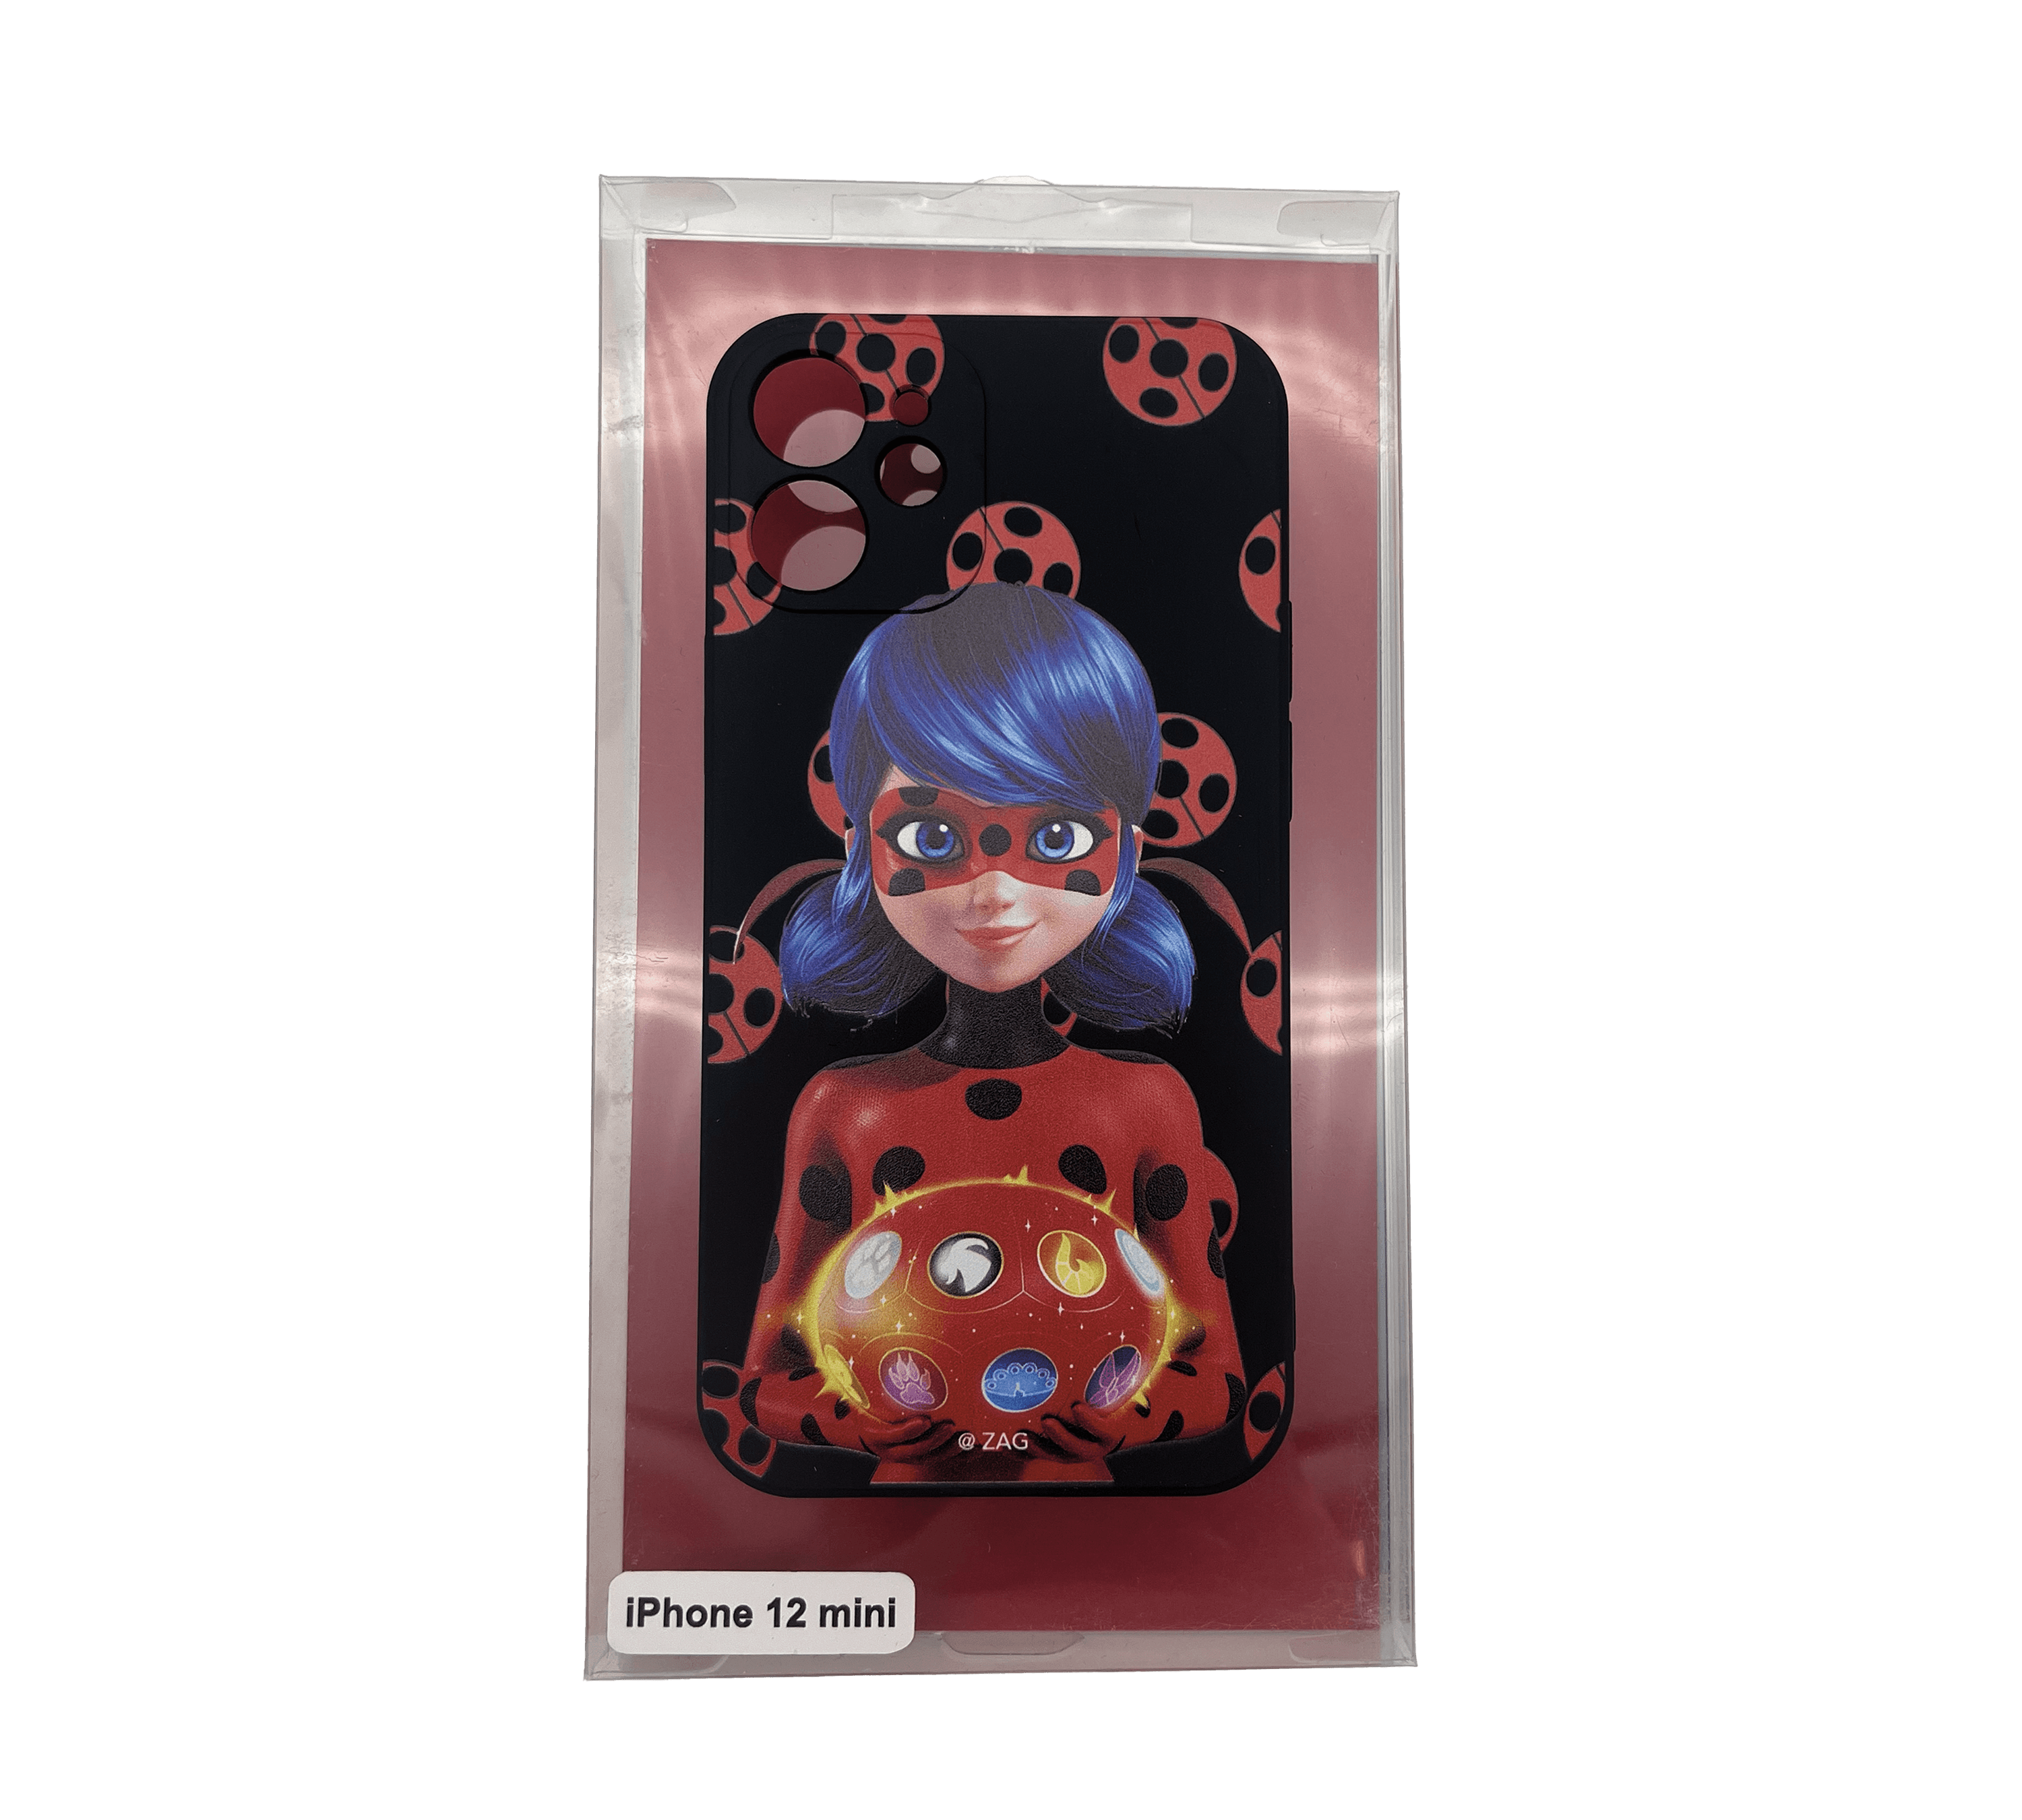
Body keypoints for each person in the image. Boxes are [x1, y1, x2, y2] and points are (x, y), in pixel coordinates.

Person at [735, 584, 1246, 1483]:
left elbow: (1215, 1375)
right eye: (934, 836)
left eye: (1055, 837)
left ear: (1127, 851)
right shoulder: (844, 1107)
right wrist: (856, 1423)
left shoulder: (1146, 1102)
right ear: (861, 848)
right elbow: (766, 1380)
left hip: (1094, 1526)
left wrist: (1126, 1419)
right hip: (887, 1528)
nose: (994, 894)